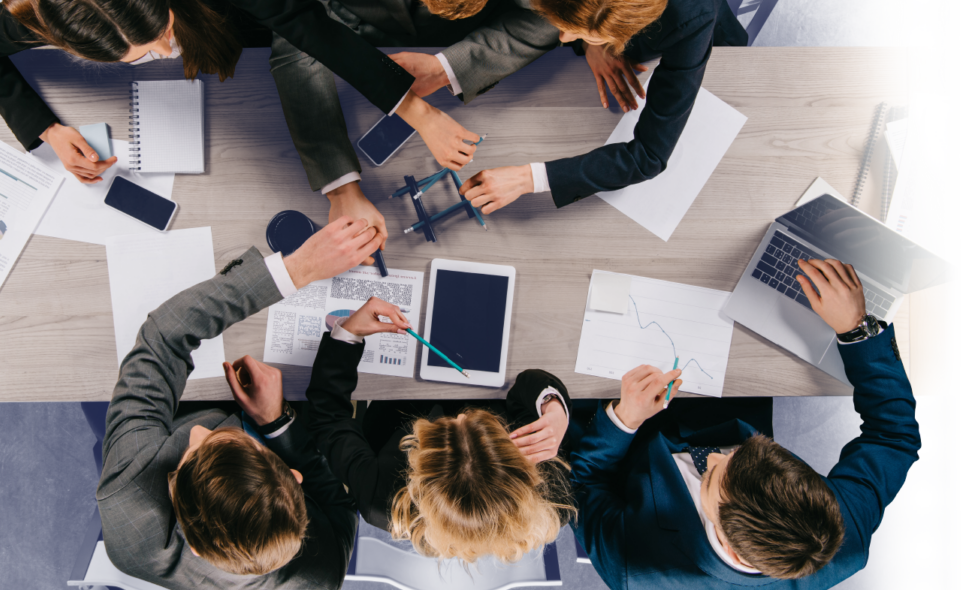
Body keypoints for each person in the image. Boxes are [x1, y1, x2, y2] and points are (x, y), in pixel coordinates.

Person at [0, 0, 472, 210]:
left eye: (161, 32)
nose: (162, 53)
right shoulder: (33, 17)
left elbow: (301, 22)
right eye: (140, 56)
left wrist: (416, 111)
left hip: (239, 17)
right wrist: (47, 130)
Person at [270, 0, 560, 254]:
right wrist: (340, 188)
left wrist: (448, 66)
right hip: (358, 47)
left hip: (480, 54)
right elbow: (295, 39)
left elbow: (546, 11)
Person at [571, 257, 920, 588]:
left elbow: (583, 485)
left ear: (729, 545)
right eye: (741, 453)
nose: (715, 457)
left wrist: (624, 420)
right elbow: (893, 436)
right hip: (729, 396)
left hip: (617, 437)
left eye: (711, 478)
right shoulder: (842, 531)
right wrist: (856, 328)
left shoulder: (638, 570)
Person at [96, 216, 382, 588]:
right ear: (294, 479)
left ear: (196, 551)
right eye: (220, 439)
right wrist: (275, 424)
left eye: (190, 454)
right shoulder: (319, 575)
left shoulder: (127, 507)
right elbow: (340, 507)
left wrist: (297, 269)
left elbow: (162, 339)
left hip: (158, 420)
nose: (197, 432)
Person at [460, 0, 749, 213]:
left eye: (581, 34)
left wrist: (528, 179)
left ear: (626, 34)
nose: (563, 38)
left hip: (710, 37)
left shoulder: (692, 24)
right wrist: (590, 44)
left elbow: (650, 157)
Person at [305, 297, 575, 563]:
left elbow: (328, 418)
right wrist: (554, 407)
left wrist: (348, 334)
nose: (459, 415)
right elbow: (526, 385)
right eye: (470, 423)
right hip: (491, 383)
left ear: (419, 465)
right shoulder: (550, 494)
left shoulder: (380, 500)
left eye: (455, 424)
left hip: (398, 398)